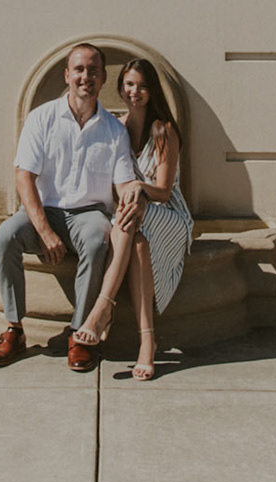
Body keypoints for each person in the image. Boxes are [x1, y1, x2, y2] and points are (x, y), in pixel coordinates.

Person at [0, 43, 140, 372]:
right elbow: (23, 176)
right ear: (67, 75)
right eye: (80, 69)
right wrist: (43, 229)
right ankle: (14, 329)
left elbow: (124, 181)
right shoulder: (41, 118)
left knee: (99, 240)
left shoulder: (114, 131)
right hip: (43, 210)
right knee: (5, 237)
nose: (86, 76)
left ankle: (80, 334)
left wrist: (134, 195)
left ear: (102, 78)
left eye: (93, 70)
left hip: (88, 215)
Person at [71, 58, 191, 381]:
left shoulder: (164, 130)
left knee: (129, 214)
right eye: (128, 84)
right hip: (134, 215)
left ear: (152, 91)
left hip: (168, 214)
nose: (134, 91)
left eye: (141, 86)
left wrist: (139, 188)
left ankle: (102, 308)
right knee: (135, 239)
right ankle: (147, 342)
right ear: (121, 87)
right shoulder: (118, 127)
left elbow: (164, 191)